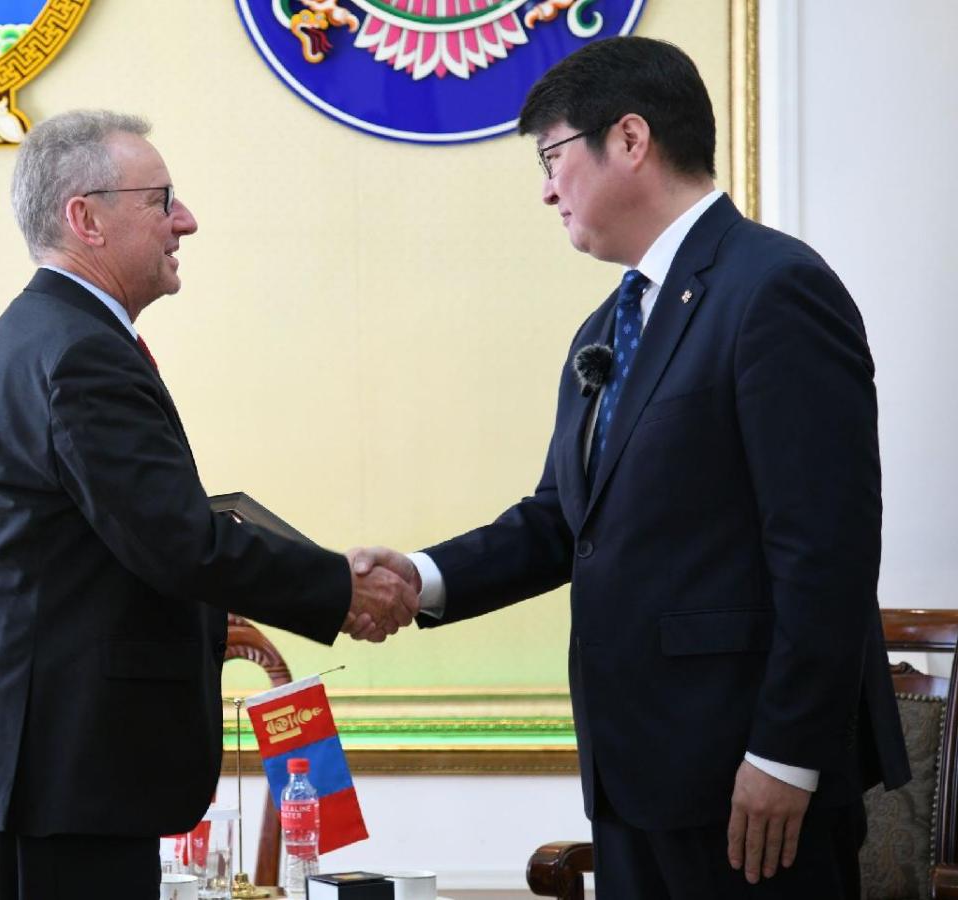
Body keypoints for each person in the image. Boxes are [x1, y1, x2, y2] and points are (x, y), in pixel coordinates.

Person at [351, 37, 909, 898]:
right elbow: (561, 521)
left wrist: (786, 754)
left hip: (747, 779)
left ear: (631, 138)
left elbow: (825, 550)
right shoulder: (608, 325)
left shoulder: (775, 289)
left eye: (552, 158)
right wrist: (419, 577)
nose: (546, 189)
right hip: (632, 774)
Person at [0, 109, 419, 900]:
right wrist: (342, 585)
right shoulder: (79, 351)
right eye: (161, 199)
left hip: (58, 775)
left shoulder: (48, 335)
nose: (185, 220)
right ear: (86, 219)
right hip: (63, 779)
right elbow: (177, 543)